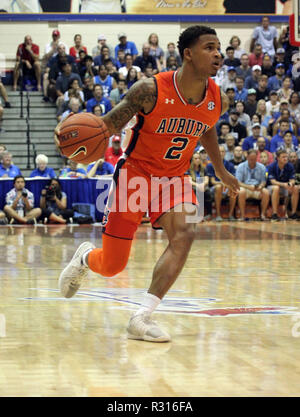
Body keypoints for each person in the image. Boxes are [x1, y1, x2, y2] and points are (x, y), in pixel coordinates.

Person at [55, 25, 239, 342]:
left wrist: (220, 169)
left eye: (218, 47)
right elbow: (108, 125)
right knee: (112, 265)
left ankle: (141, 317)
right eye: (209, 47)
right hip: (135, 174)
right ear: (188, 54)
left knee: (186, 232)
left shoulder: (216, 99)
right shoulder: (149, 90)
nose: (217, 53)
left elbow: (207, 128)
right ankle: (86, 257)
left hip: (175, 178)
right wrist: (81, 137)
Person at [205, 145, 237, 221]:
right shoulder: (210, 165)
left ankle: (230, 215)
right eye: (219, 152)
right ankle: (218, 215)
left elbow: (233, 179)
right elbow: (213, 181)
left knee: (234, 189)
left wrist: (228, 185)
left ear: (225, 153)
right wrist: (224, 184)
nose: (221, 153)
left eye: (222, 151)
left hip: (227, 187)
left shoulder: (230, 165)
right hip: (214, 188)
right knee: (219, 187)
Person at [236, 149, 269, 221]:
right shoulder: (241, 166)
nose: (253, 161)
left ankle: (263, 215)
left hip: (257, 189)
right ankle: (242, 215)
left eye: (254, 159)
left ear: (257, 157)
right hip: (245, 188)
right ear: (247, 157)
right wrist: (248, 187)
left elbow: (264, 181)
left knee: (266, 192)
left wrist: (261, 186)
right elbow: (238, 182)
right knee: (241, 191)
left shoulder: (262, 167)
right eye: (251, 159)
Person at [267, 149, 299, 220]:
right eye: (283, 157)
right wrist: (284, 184)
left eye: (286, 157)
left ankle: (293, 213)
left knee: (295, 188)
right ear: (278, 158)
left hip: (284, 187)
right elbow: (273, 181)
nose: (285, 159)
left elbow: (293, 179)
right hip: (271, 188)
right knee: (276, 188)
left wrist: (290, 184)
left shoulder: (290, 166)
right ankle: (274, 213)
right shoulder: (271, 166)